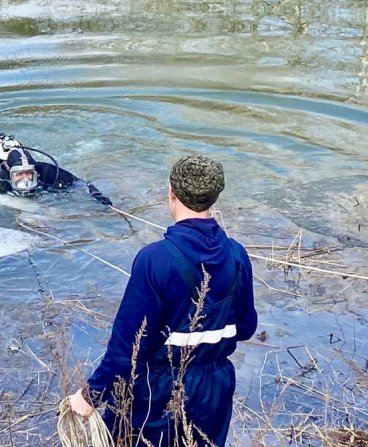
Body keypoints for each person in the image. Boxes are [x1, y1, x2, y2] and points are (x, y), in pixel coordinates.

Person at [67, 154, 257, 446]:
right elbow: (245, 328)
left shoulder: (154, 259)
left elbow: (126, 349)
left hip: (157, 391)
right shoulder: (237, 254)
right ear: (215, 197)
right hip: (216, 388)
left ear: (171, 192)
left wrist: (91, 394)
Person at [0, 134, 113, 206]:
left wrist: (98, 196)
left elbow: (80, 184)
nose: (25, 181)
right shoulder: (2, 178)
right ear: (10, 173)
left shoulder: (46, 171)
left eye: (29, 175)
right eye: (19, 176)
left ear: (35, 172)